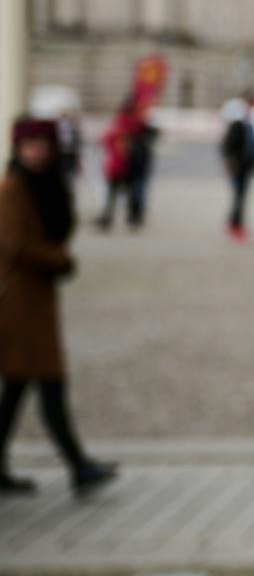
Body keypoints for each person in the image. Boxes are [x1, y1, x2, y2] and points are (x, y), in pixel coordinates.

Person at [0, 118, 117, 495]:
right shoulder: (13, 188)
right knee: (50, 383)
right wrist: (59, 261)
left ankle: (71, 465)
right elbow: (16, 245)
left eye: (41, 143)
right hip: (19, 303)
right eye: (28, 144)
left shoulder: (46, 185)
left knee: (17, 389)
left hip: (36, 300)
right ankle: (78, 465)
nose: (35, 150)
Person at [95, 97, 156, 231]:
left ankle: (109, 218)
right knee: (127, 193)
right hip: (126, 166)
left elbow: (105, 140)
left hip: (119, 165)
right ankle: (131, 218)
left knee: (114, 194)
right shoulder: (134, 124)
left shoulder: (120, 123)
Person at [220, 90, 254, 241]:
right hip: (239, 166)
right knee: (239, 196)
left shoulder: (249, 121)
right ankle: (235, 224)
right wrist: (231, 162)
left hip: (246, 166)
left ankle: (235, 223)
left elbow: (252, 146)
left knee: (241, 196)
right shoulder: (238, 122)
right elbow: (228, 145)